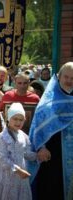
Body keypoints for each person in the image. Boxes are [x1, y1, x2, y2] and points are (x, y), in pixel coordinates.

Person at [28, 62, 73, 200]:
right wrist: (41, 147)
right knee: (52, 191)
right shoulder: (48, 100)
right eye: (66, 77)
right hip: (52, 156)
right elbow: (37, 126)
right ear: (59, 77)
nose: (69, 81)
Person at [0, 103, 37, 200]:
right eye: (15, 119)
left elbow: (26, 153)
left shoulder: (22, 135)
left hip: (20, 175)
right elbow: (3, 159)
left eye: (21, 120)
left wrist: (37, 156)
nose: (18, 122)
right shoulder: (3, 137)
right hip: (6, 175)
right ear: (8, 119)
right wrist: (17, 170)